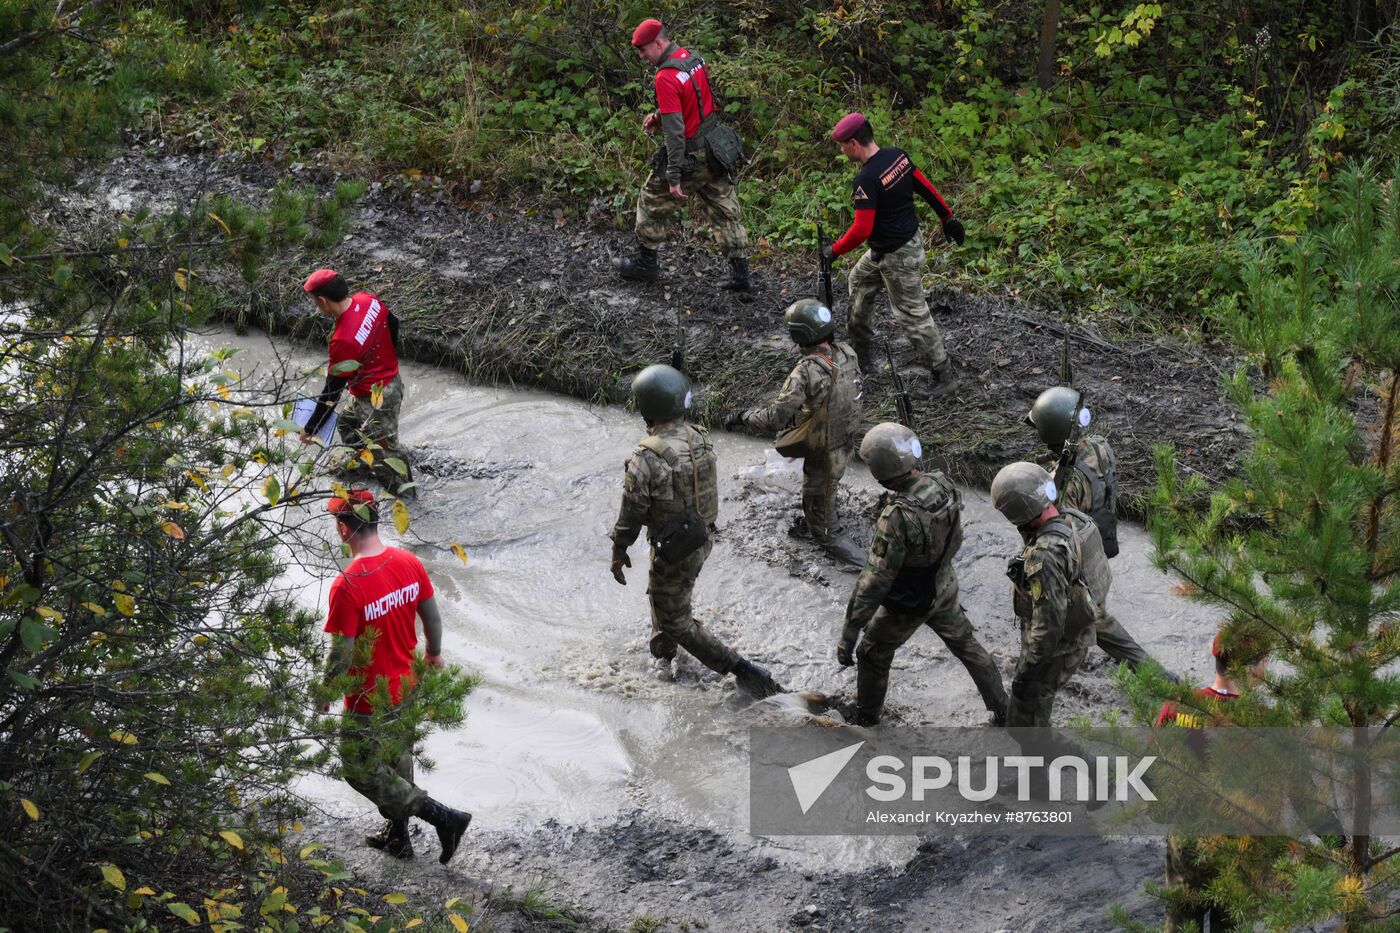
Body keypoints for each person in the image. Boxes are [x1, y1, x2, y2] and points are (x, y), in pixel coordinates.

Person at [610, 364, 782, 697]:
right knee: (662, 594)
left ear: (647, 407)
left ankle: (743, 670)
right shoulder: (700, 436)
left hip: (675, 547)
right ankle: (663, 654)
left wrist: (618, 550)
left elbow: (631, 513)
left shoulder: (645, 456)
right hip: (700, 535)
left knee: (676, 619)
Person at [321, 489, 470, 863]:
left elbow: (342, 652)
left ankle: (444, 817)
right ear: (374, 520)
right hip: (408, 682)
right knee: (396, 760)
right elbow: (432, 617)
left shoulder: (348, 585)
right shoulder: (409, 563)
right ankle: (398, 837)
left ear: (343, 529)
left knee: (359, 767)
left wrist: (326, 689)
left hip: (369, 698)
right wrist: (433, 653)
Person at [835, 423, 1007, 726]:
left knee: (871, 653)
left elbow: (875, 579)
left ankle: (866, 721)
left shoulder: (897, 515)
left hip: (911, 600)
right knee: (967, 645)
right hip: (944, 583)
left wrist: (850, 631)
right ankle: (1004, 709)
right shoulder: (943, 484)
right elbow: (956, 539)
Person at [822, 112, 966, 395]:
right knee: (859, 282)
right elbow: (925, 186)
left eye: (842, 145)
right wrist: (947, 216)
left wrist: (834, 251)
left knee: (912, 314)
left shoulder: (866, 180)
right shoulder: (896, 157)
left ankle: (944, 374)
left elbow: (862, 229)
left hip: (898, 255)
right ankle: (862, 356)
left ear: (853, 144)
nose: (841, 150)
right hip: (892, 247)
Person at [1025, 385, 1166, 674]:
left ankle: (1155, 673)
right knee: (1096, 608)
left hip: (1080, 554)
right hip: (1100, 539)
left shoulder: (1062, 482)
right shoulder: (1101, 445)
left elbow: (1055, 528)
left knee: (1096, 620)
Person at [723, 298, 865, 566]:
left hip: (824, 450)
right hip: (845, 440)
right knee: (826, 491)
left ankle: (868, 565)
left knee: (825, 531)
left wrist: (743, 417)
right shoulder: (847, 352)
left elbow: (775, 419)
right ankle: (825, 511)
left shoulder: (806, 371)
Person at [614, 18, 752, 292]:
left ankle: (646, 264)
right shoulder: (693, 58)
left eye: (643, 50)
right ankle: (741, 276)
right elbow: (696, 100)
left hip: (691, 154)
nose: (642, 56)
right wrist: (658, 115)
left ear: (658, 43)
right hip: (715, 148)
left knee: (651, 199)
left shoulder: (665, 76)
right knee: (725, 209)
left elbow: (675, 134)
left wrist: (673, 175)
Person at [990, 461, 1106, 726]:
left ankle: (1095, 767)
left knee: (1029, 731)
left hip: (1052, 653)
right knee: (1023, 725)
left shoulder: (1043, 556)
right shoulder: (1070, 519)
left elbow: (1048, 626)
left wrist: (1025, 673)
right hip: (1070, 639)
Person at [1154, 634, 1245, 933]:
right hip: (1239, 845)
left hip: (1187, 837)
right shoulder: (1260, 718)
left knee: (1181, 923)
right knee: (1230, 924)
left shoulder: (1179, 706)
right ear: (1251, 667)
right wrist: (1337, 841)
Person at [300, 269, 414, 497]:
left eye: (315, 302)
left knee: (388, 456)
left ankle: (407, 498)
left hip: (376, 400)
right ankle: (366, 462)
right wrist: (385, 359)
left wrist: (310, 428)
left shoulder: (342, 339)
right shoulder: (368, 300)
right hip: (388, 380)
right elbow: (393, 322)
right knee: (347, 425)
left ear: (323, 300)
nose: (316, 306)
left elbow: (332, 391)